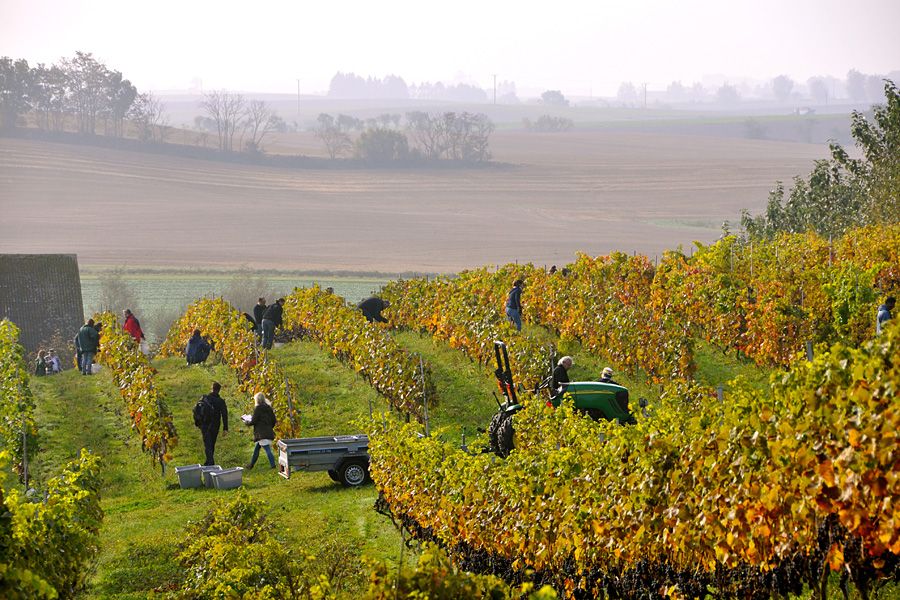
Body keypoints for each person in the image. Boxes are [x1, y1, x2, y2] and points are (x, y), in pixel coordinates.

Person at [196, 382, 229, 466]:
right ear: (219, 390)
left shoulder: (205, 398)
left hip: (205, 424)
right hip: (215, 425)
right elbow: (224, 414)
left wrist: (198, 422)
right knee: (212, 443)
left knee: (207, 444)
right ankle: (209, 462)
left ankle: (209, 462)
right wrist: (225, 428)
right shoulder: (221, 401)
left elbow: (197, 409)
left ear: (212, 388)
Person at [244, 392, 277, 469]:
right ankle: (251, 465)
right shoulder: (269, 408)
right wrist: (270, 427)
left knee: (267, 449)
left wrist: (247, 422)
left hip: (261, 433)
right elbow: (274, 420)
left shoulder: (258, 409)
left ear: (257, 400)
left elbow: (253, 421)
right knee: (257, 449)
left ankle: (273, 466)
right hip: (268, 431)